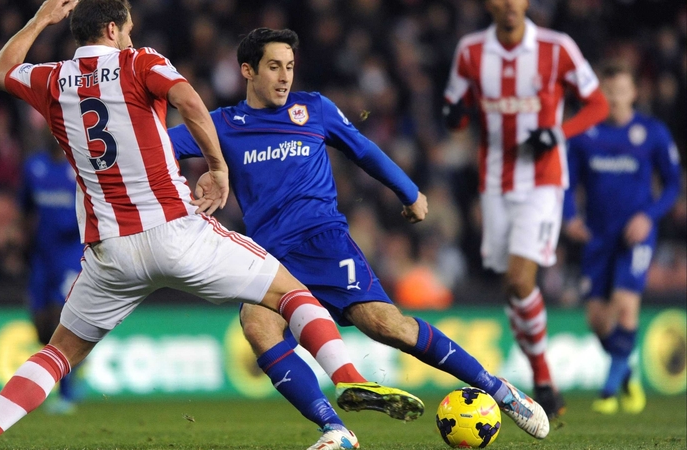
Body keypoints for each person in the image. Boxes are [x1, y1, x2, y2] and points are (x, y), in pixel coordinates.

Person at [0, 2, 421, 450]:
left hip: (109, 251)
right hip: (176, 231)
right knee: (293, 295)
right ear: (113, 28)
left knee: (59, 352)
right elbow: (190, 101)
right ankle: (350, 377)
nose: (131, 36)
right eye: (128, 28)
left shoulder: (51, 78)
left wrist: (43, 16)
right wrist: (218, 168)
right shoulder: (141, 62)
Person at [170, 27, 550, 446]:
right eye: (274, 67)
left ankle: (501, 391)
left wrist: (410, 192)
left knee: (389, 327)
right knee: (257, 326)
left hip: (324, 242)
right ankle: (336, 429)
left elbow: (363, 150)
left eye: (290, 67)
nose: (284, 77)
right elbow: (159, 149)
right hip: (270, 256)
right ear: (247, 70)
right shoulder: (223, 124)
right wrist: (202, 174)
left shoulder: (313, 109)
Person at [442, 0, 609, 418]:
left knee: (520, 280)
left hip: (543, 182)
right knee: (512, 289)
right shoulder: (470, 51)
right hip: (494, 184)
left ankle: (545, 382)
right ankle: (540, 379)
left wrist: (558, 132)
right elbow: (455, 115)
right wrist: (454, 116)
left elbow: (597, 104)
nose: (509, 5)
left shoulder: (557, 47)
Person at [563, 63, 682, 415]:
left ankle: (609, 392)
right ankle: (626, 371)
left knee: (626, 304)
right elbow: (568, 182)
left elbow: (673, 183)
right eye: (607, 92)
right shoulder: (585, 134)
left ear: (634, 93)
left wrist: (649, 216)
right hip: (598, 235)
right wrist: (570, 218)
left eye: (620, 91)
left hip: (636, 234)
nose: (613, 98)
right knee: (597, 319)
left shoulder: (652, 132)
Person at [18, 138, 84, 414]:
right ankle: (74, 368)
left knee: (60, 317)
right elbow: (25, 209)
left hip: (71, 253)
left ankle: (66, 394)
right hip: (42, 254)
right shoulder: (34, 166)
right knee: (40, 324)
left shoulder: (79, 167)